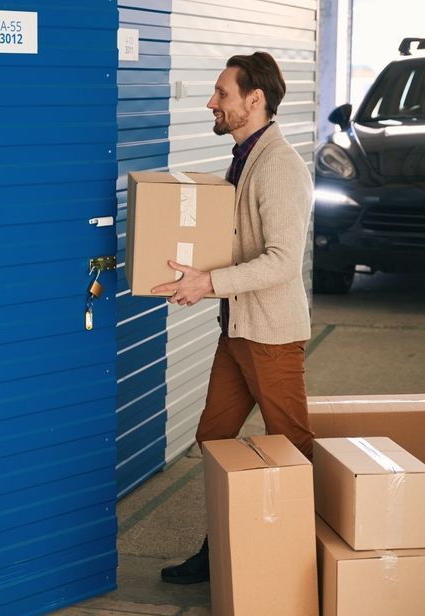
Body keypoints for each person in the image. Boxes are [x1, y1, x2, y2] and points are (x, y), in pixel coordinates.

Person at [150, 51, 315, 585]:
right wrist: (194, 272)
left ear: (254, 99)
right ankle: (221, 547)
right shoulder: (243, 157)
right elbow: (239, 242)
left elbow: (282, 261)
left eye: (221, 94)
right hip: (237, 332)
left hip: (271, 335)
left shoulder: (279, 167)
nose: (211, 102)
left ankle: (309, 561)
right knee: (215, 439)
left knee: (293, 449)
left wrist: (210, 283)